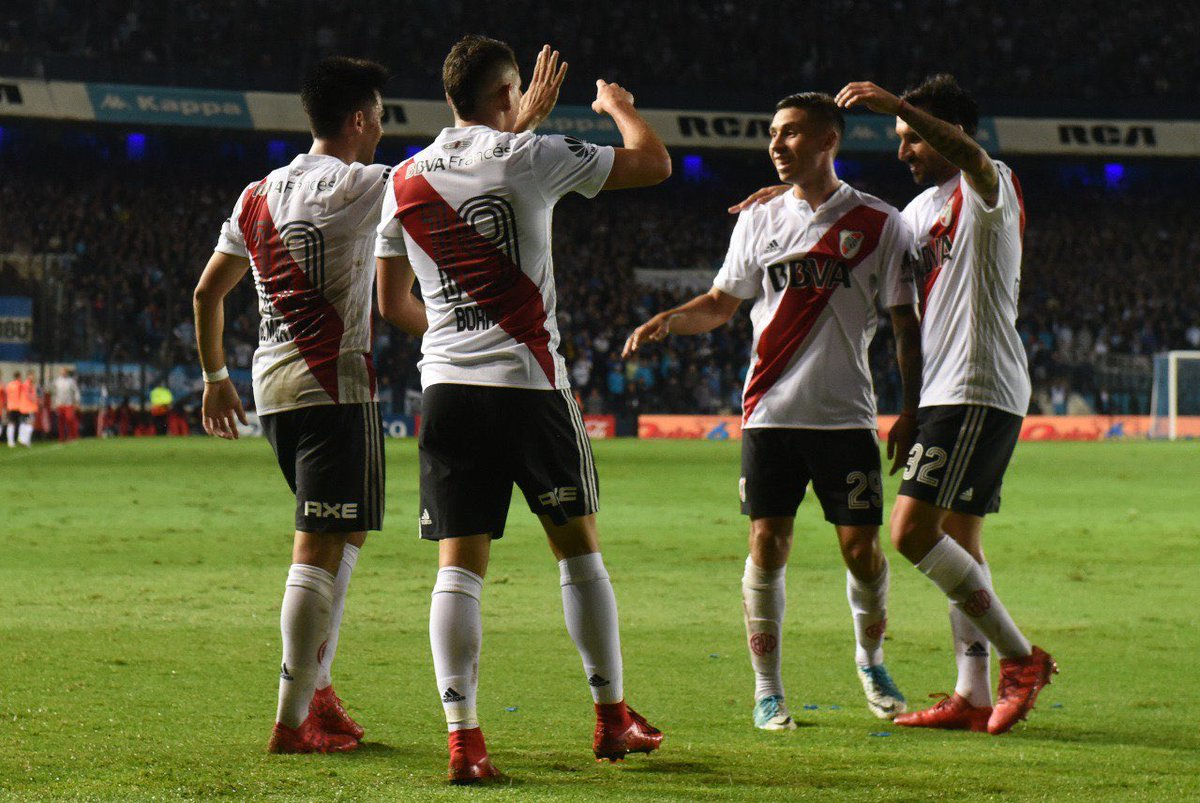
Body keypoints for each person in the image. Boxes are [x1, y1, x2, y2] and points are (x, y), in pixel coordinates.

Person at [375, 35, 670, 783]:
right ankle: (611, 719)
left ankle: (464, 742)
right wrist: (620, 109)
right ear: (508, 96)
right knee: (579, 553)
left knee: (458, 570)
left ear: (451, 98)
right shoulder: (532, 155)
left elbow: (390, 302)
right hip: (531, 387)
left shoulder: (403, 180)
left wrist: (454, 330)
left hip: (445, 391)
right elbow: (654, 162)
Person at [625, 92, 922, 731]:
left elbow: (904, 322)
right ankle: (768, 689)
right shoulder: (758, 220)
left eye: (790, 134)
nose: (776, 145)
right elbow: (720, 302)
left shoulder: (880, 223)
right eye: (771, 135)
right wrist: (671, 321)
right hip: (769, 413)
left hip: (846, 416)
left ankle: (870, 661)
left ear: (828, 141)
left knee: (863, 551)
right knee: (767, 542)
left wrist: (912, 409)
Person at [835, 75, 1055, 735]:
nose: (903, 148)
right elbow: (901, 309)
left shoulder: (989, 185)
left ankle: (1022, 658)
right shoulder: (915, 214)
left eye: (912, 136)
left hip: (978, 384)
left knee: (910, 532)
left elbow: (969, 155)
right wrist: (788, 201)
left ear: (950, 131)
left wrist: (895, 105)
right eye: (898, 139)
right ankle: (972, 691)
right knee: (959, 539)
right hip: (943, 391)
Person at [193, 56, 393, 755]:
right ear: (360, 120)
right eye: (379, 117)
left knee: (349, 532)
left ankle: (318, 686)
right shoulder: (364, 184)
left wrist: (215, 376)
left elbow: (206, 294)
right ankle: (289, 718)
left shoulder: (256, 194)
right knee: (317, 544)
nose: (381, 131)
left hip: (271, 389)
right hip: (333, 385)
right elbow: (446, 178)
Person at [53, 368, 82, 441]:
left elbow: (76, 391)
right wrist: (54, 403)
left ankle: (71, 436)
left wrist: (77, 401)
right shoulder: (57, 381)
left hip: (68, 404)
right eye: (62, 372)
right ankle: (61, 437)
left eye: (65, 372)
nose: (63, 373)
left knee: (69, 419)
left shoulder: (71, 381)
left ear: (67, 373)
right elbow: (54, 392)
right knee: (60, 422)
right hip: (60, 404)